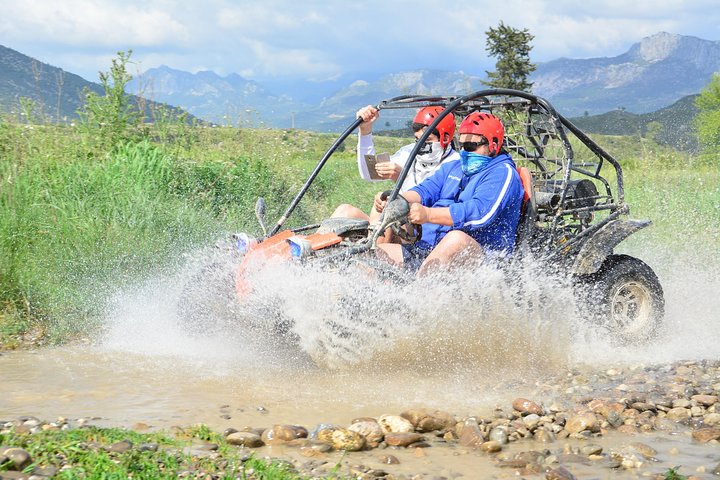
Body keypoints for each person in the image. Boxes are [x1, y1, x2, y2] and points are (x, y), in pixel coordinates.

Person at [374, 111, 525, 276]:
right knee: (376, 255)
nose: (464, 153)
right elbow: (426, 190)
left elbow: (479, 213)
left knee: (456, 239)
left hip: (483, 257)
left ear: (493, 145)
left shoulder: (503, 173)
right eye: (461, 146)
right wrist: (396, 199)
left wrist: (428, 214)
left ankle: (417, 294)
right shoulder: (455, 167)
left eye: (470, 147)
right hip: (430, 249)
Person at [332, 105, 459, 221]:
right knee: (345, 211)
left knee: (386, 211)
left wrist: (401, 178)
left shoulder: (455, 164)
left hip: (420, 230)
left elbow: (430, 205)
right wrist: (365, 131)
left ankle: (375, 243)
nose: (420, 146)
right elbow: (369, 174)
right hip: (396, 223)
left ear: (445, 138)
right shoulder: (409, 152)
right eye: (417, 140)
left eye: (427, 140)